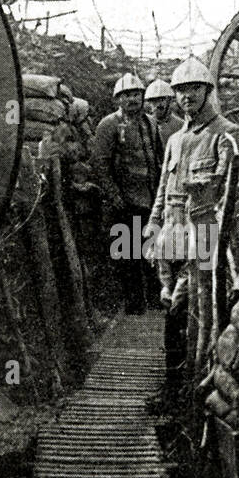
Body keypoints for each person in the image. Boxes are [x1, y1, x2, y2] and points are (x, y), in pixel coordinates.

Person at [146, 57, 239, 399]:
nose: (187, 96)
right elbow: (163, 187)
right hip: (173, 239)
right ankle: (174, 388)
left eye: (194, 89)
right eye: (181, 91)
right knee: (173, 317)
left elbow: (232, 197)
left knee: (196, 315)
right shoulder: (175, 140)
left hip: (205, 242)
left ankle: (190, 389)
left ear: (207, 91)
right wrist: (153, 224)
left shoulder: (227, 134)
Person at [89, 73, 162, 315]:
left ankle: (154, 303)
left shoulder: (150, 123)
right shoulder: (108, 125)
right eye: (127, 95)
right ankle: (133, 307)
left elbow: (159, 159)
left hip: (150, 201)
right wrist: (115, 197)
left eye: (137, 94)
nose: (133, 99)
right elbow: (100, 164)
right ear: (118, 99)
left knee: (151, 254)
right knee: (127, 258)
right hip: (124, 204)